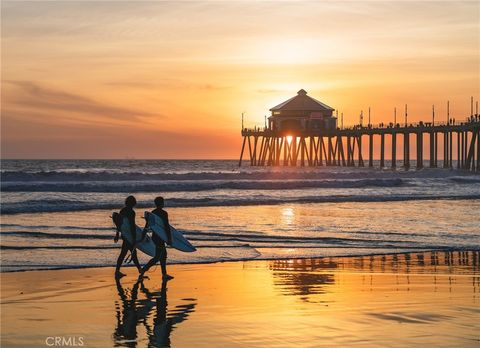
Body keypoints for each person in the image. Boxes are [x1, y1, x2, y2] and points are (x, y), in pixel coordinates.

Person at [140, 196, 173, 280]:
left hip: (155, 237)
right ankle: (144, 269)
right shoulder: (164, 213)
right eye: (163, 202)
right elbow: (166, 227)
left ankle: (164, 274)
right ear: (161, 203)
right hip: (161, 237)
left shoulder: (152, 213)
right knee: (158, 257)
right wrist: (169, 238)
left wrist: (143, 235)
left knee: (163, 255)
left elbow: (147, 226)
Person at [114, 195, 142, 278]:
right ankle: (139, 271)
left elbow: (119, 223)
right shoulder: (132, 212)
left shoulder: (122, 210)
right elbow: (132, 226)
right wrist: (133, 238)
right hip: (129, 236)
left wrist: (117, 234)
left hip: (124, 234)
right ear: (133, 203)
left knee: (129, 253)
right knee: (128, 253)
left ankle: (139, 270)